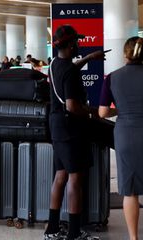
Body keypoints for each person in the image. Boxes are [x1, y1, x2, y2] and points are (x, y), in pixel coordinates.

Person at [44, 25, 106, 240]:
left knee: (60, 175)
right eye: (77, 41)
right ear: (71, 45)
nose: (79, 44)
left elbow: (69, 69)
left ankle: (51, 229)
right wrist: (92, 111)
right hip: (71, 128)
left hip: (56, 126)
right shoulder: (69, 71)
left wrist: (88, 58)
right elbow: (72, 106)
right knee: (75, 179)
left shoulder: (54, 64)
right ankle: (73, 233)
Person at [99, 36, 143, 240]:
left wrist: (122, 111)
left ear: (125, 53)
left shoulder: (113, 77)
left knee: (130, 189)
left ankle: (134, 238)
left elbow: (102, 113)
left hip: (126, 134)